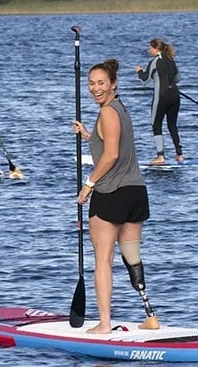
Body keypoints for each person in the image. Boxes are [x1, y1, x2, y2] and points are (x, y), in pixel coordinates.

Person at [72, 59, 156, 333]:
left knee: (103, 260)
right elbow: (111, 143)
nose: (95, 88)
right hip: (135, 193)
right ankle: (150, 315)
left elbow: (111, 155)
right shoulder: (121, 109)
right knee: (132, 257)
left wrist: (89, 184)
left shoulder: (107, 112)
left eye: (101, 83)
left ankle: (105, 324)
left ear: (113, 84)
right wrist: (88, 136)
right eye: (91, 83)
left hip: (110, 193)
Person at [135, 38, 183, 165]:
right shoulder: (171, 60)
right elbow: (178, 78)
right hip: (175, 95)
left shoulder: (154, 62)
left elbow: (145, 80)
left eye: (150, 48)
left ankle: (160, 156)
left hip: (161, 96)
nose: (148, 50)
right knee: (172, 125)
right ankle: (179, 155)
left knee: (156, 124)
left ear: (156, 49)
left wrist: (139, 72)